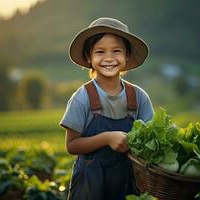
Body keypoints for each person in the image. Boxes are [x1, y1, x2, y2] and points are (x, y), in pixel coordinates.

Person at [60, 17, 154, 200]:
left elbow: (150, 140)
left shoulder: (139, 97)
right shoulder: (82, 97)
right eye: (100, 52)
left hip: (127, 186)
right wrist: (106, 138)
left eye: (116, 51)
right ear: (89, 57)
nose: (109, 58)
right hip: (90, 186)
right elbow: (71, 145)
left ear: (126, 56)